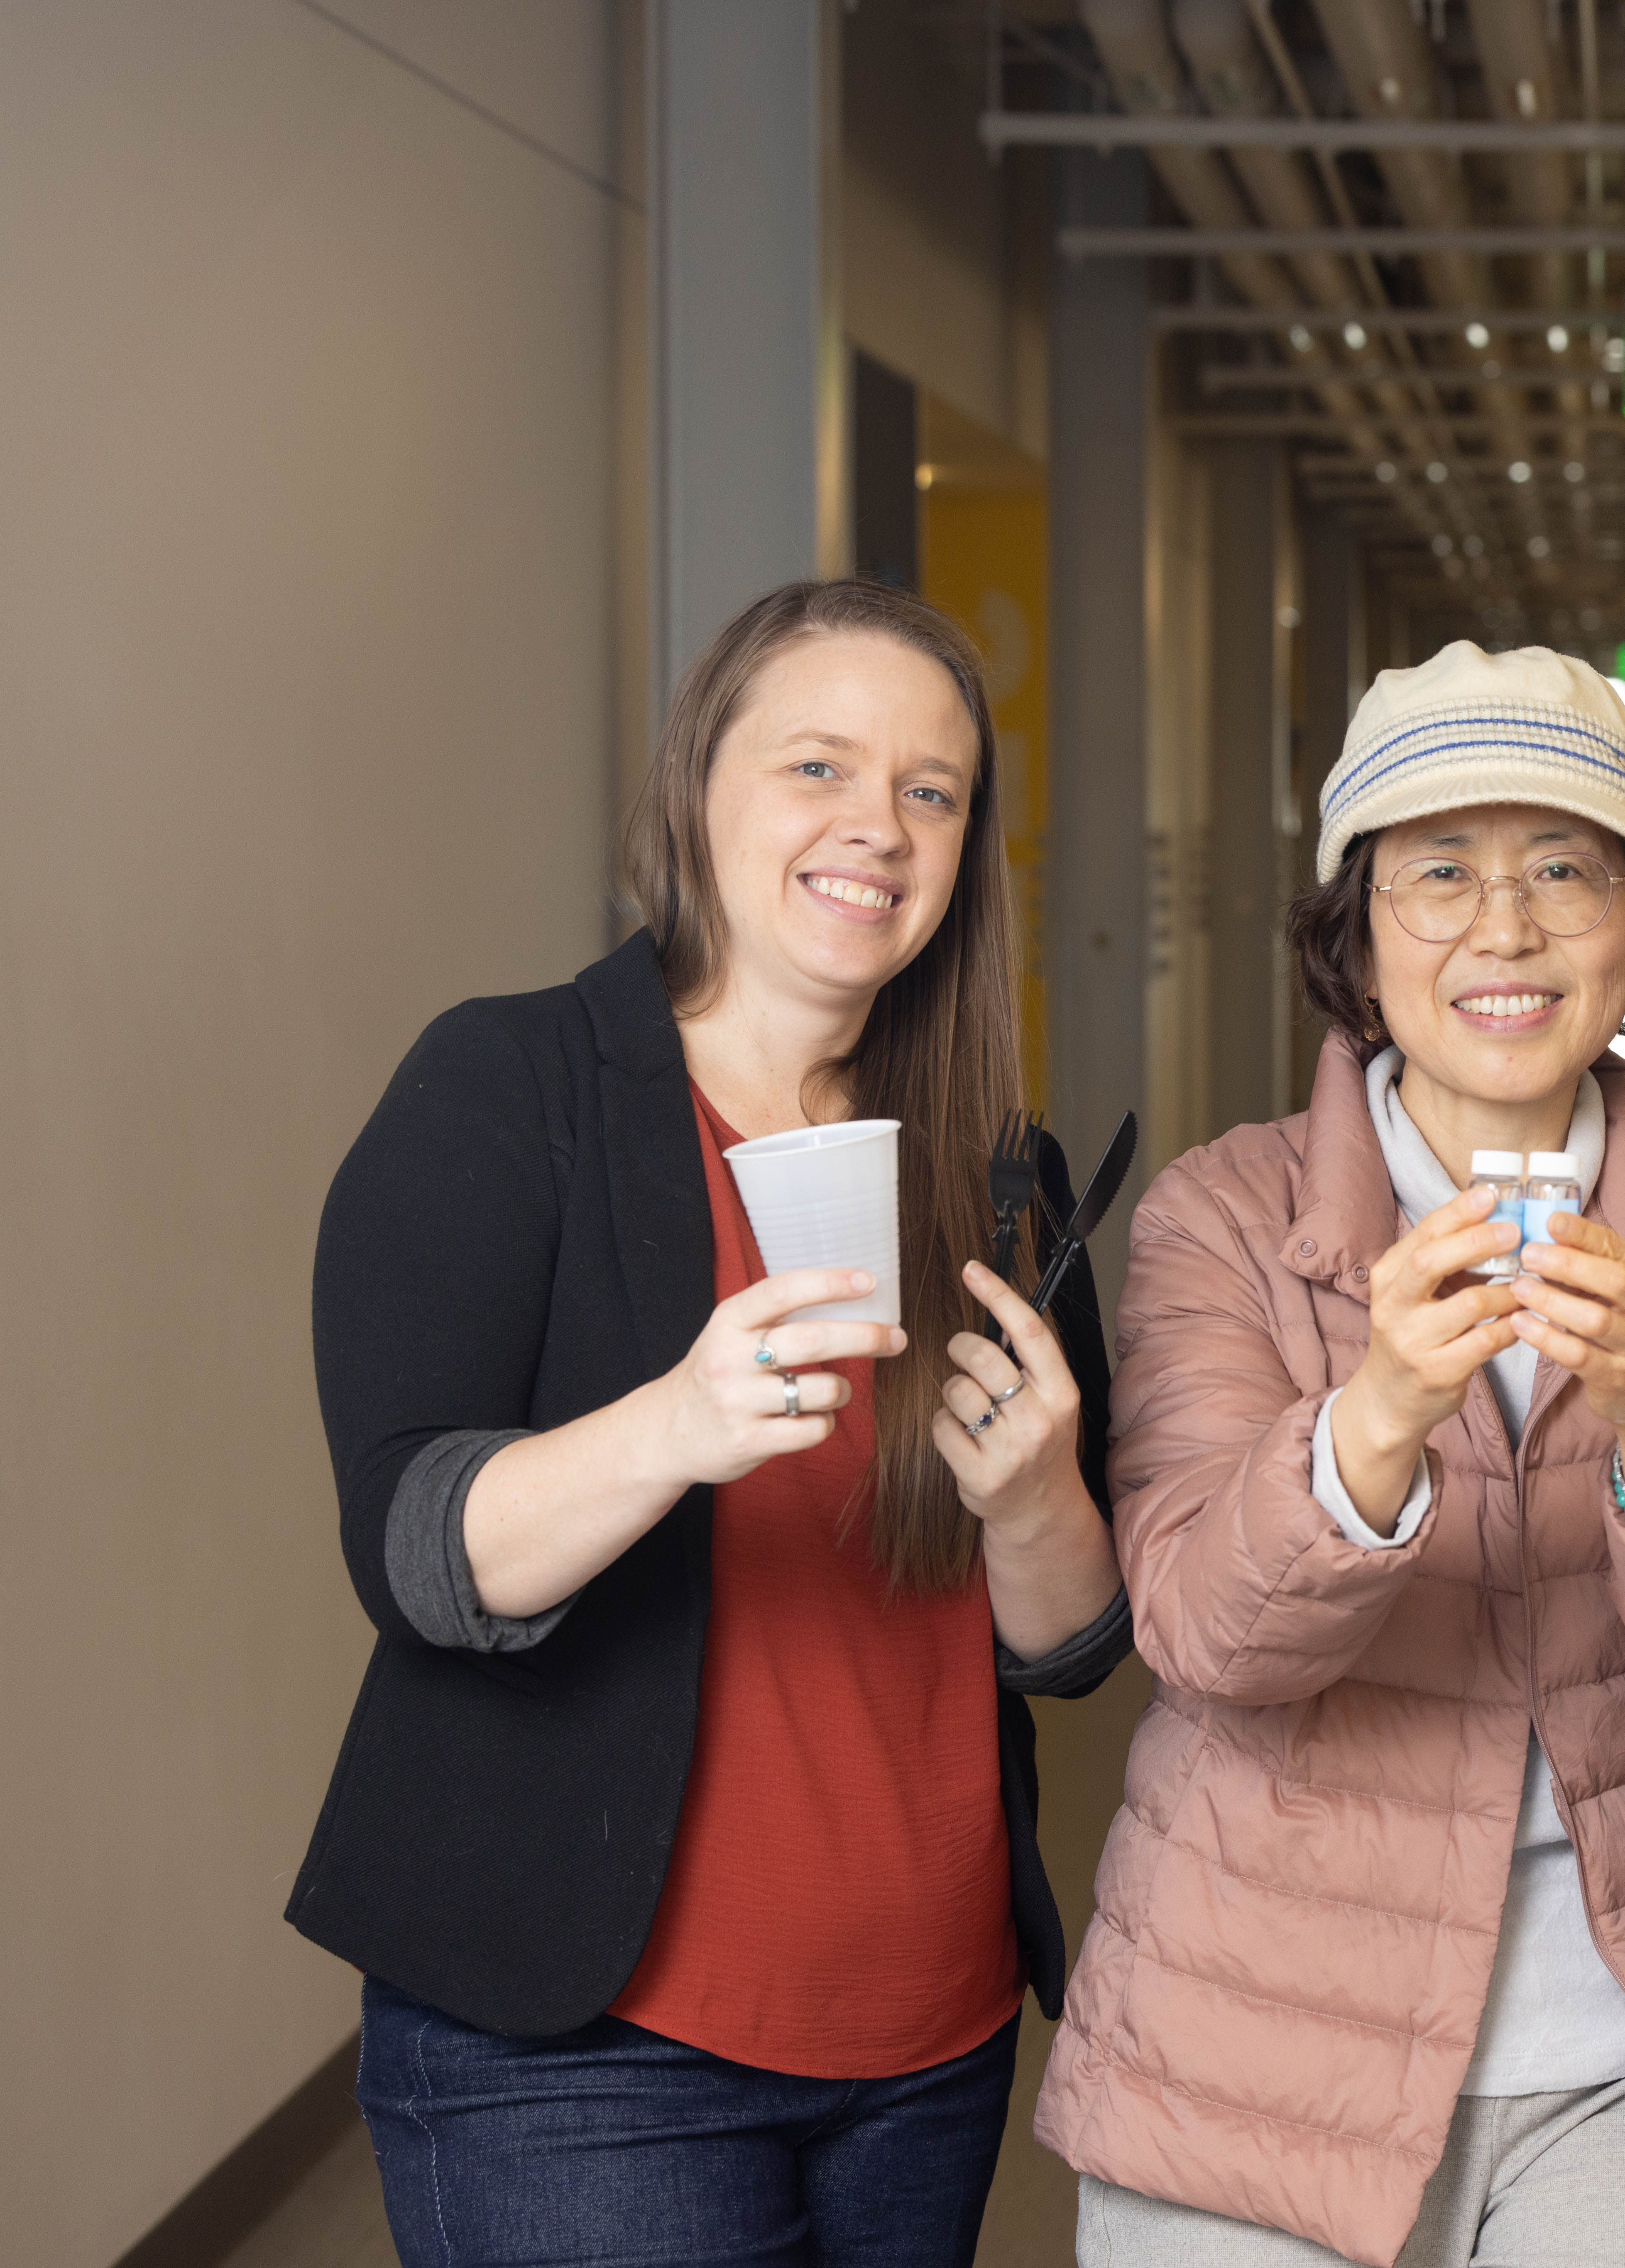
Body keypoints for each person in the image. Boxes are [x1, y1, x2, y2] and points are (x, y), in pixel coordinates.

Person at [297, 579, 1134, 2262]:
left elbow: (1064, 1650)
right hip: (579, 2055)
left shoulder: (996, 1169)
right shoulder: (513, 1089)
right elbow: (416, 1552)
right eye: (816, 767)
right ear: (696, 792)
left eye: (930, 790)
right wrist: (671, 1425)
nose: (876, 829)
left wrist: (1037, 1493)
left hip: (927, 2041)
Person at [1037, 643, 1625, 2268]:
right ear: (1356, 934)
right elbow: (1206, 1635)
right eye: (1438, 872)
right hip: (1254, 2043)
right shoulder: (1223, 1220)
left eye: (1562, 873)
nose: (1501, 929)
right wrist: (1371, 1418)